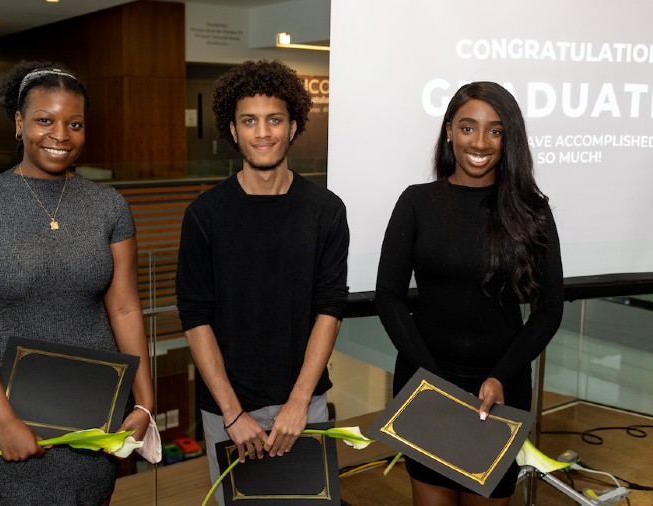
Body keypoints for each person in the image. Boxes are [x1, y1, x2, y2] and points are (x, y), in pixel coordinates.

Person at [0, 61, 155, 506]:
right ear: (19, 123)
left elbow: (125, 309)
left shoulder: (109, 206)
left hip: (94, 408)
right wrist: (2, 421)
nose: (60, 134)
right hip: (10, 410)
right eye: (44, 120)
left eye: (74, 124)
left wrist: (145, 401)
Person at [375, 81, 564, 505]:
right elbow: (387, 296)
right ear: (448, 131)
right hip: (426, 387)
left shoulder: (531, 210)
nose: (480, 142)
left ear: (508, 138)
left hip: (499, 391)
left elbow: (549, 309)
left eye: (494, 130)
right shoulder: (416, 202)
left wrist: (501, 375)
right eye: (467, 128)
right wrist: (431, 379)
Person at [175, 59, 349, 505]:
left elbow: (330, 309)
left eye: (274, 119)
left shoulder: (325, 210)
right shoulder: (204, 215)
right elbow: (196, 319)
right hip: (229, 413)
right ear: (232, 130)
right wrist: (233, 414)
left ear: (293, 127)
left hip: (304, 405)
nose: (263, 132)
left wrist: (297, 404)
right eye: (249, 121)